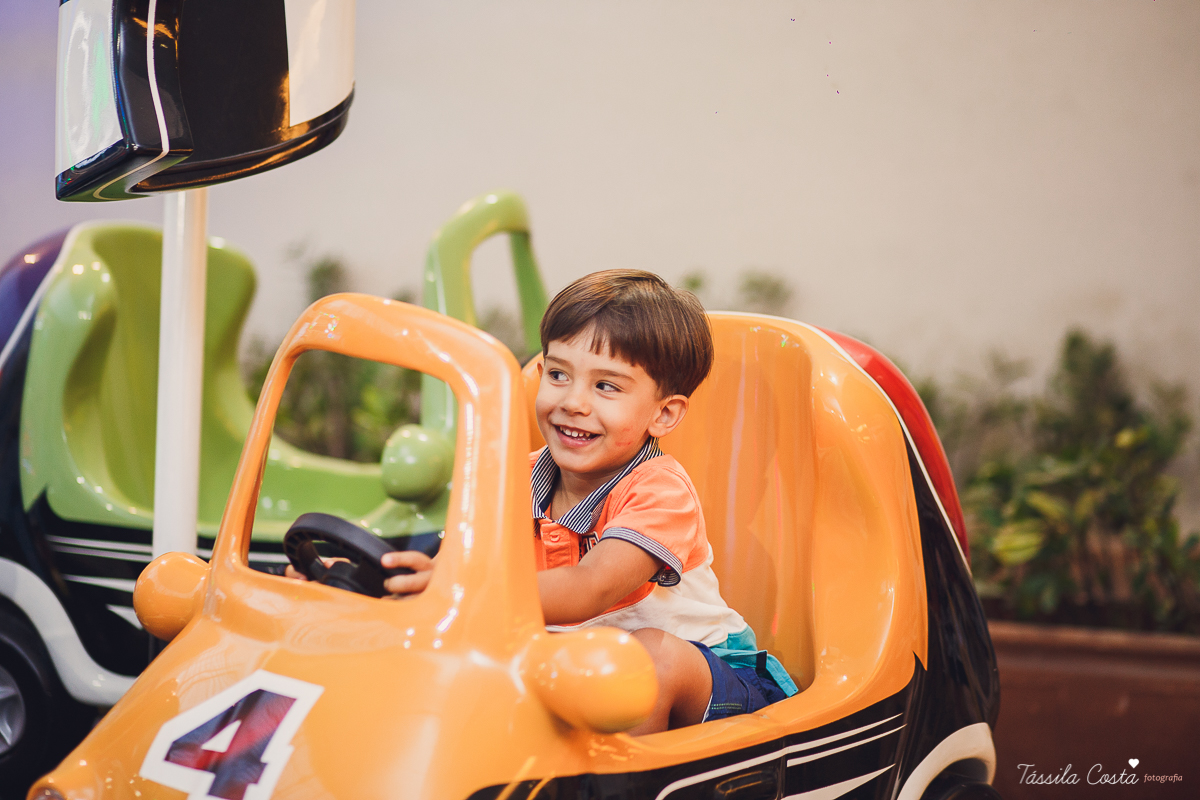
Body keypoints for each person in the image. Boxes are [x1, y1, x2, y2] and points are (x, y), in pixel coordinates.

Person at [291, 269, 797, 733]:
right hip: (570, 668)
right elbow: (454, 570)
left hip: (713, 679)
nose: (573, 401)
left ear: (663, 415)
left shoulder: (659, 490)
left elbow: (590, 588)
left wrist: (464, 589)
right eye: (558, 375)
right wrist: (377, 583)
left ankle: (618, 786)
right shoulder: (517, 477)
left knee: (643, 660)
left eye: (605, 386)